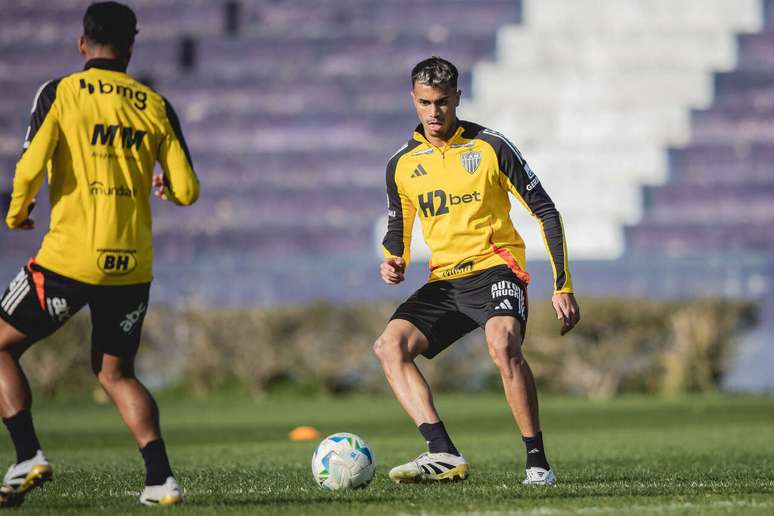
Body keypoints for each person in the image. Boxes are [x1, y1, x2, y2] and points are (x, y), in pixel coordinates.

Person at [0, 2, 199, 507]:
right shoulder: (154, 103)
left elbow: (28, 168)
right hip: (131, 265)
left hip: (69, 260)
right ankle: (160, 480)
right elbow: (188, 189)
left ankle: (27, 454)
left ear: (81, 43)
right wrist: (167, 190)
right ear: (131, 49)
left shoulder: (62, 92)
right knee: (116, 373)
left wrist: (17, 213)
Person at [374, 57, 580, 486]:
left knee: (502, 343)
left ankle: (537, 462)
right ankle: (442, 452)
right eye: (425, 103)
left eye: (443, 103)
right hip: (445, 281)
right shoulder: (401, 165)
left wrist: (563, 284)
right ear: (413, 101)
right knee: (389, 347)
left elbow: (546, 210)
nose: (434, 113)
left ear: (457, 99)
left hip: (495, 270)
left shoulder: (491, 146)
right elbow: (399, 226)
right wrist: (393, 258)